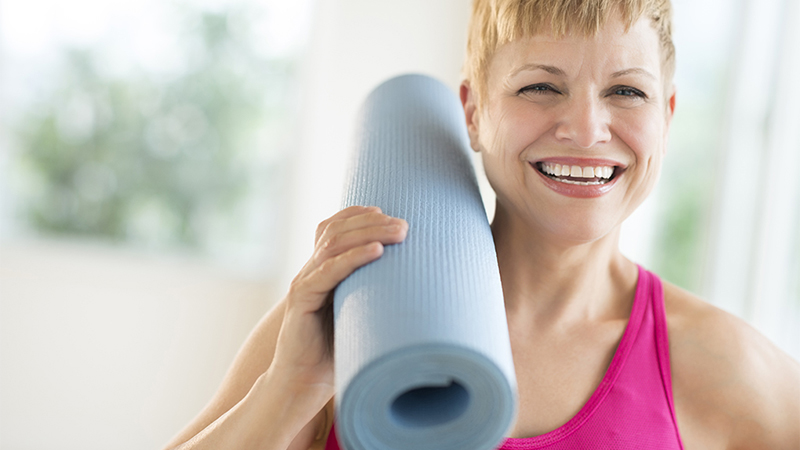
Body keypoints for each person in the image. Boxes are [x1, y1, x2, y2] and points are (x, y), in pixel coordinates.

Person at [162, 0, 800, 448]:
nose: (585, 129)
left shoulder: (723, 367)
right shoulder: (356, 312)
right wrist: (292, 386)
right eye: (539, 88)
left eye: (625, 92)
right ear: (472, 112)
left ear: (667, 114)